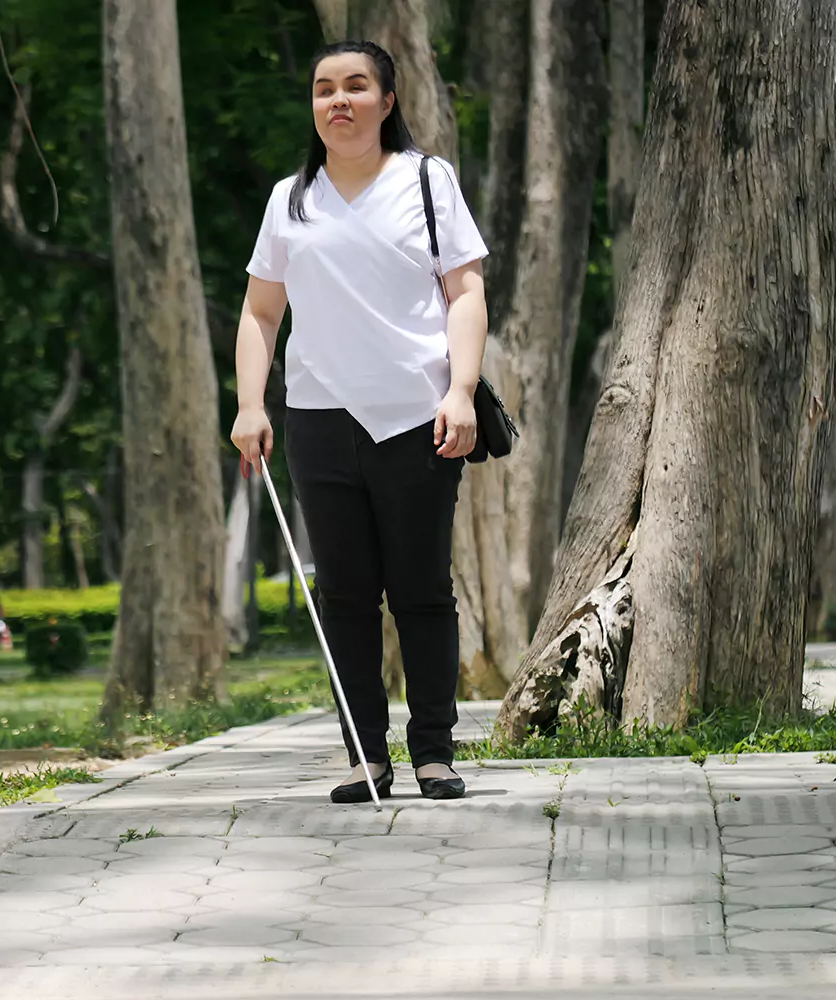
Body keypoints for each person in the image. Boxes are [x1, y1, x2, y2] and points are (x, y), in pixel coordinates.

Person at [230, 40, 488, 803]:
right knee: (342, 592)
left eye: (355, 87)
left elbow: (465, 291)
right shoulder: (290, 198)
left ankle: (434, 753)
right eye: (323, 89)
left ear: (387, 100)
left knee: (421, 591)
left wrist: (462, 390)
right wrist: (250, 405)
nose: (337, 101)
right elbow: (259, 311)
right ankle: (364, 757)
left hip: (419, 415)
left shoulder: (428, 181)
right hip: (317, 419)